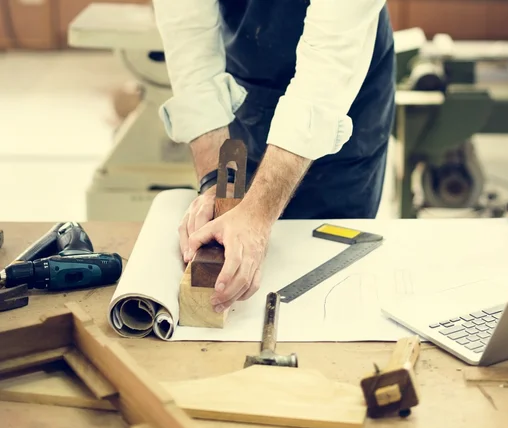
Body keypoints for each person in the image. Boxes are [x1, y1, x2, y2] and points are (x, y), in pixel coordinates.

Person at [152, 0, 396, 314]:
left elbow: (327, 70)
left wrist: (257, 215)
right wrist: (220, 185)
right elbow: (191, 46)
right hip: (249, 78)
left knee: (329, 281)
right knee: (237, 216)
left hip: (344, 90)